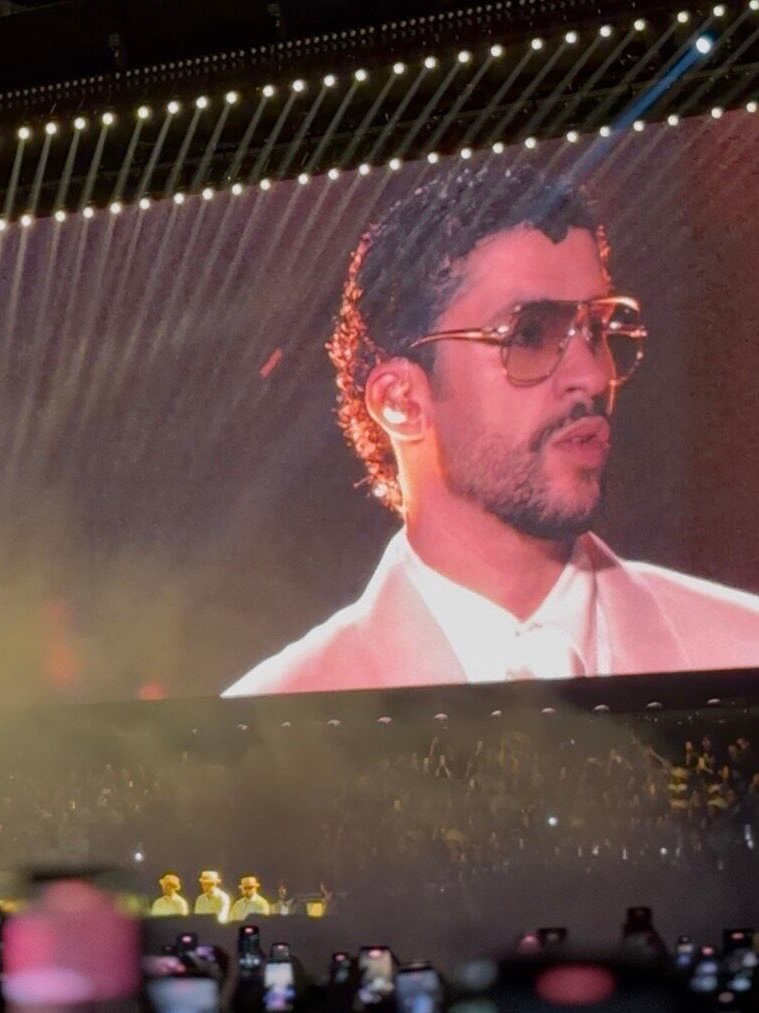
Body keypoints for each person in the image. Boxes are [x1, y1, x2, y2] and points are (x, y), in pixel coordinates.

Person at [223, 164, 759, 695]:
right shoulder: (272, 718)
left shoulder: (742, 645)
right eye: (529, 334)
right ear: (401, 400)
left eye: (595, 329)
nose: (594, 376)